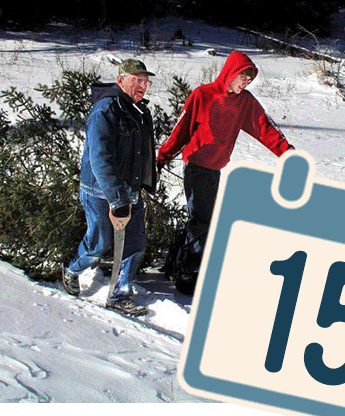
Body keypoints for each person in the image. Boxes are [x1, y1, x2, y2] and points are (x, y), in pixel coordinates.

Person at [157, 50, 294, 295]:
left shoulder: (245, 102)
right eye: (243, 77)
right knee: (202, 220)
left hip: (215, 168)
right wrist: (163, 156)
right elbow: (181, 130)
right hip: (196, 165)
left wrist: (288, 154)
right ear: (230, 73)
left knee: (201, 217)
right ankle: (187, 273)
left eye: (249, 80)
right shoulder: (203, 95)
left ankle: (173, 263)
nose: (245, 83)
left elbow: (265, 129)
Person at [63, 59, 157, 316]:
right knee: (100, 242)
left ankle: (120, 293)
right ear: (120, 81)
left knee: (135, 243)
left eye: (145, 81)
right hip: (101, 191)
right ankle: (72, 268)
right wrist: (117, 198)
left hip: (131, 190)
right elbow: (100, 158)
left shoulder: (138, 110)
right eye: (136, 80)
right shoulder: (105, 111)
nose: (142, 86)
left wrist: (144, 184)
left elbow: (142, 152)